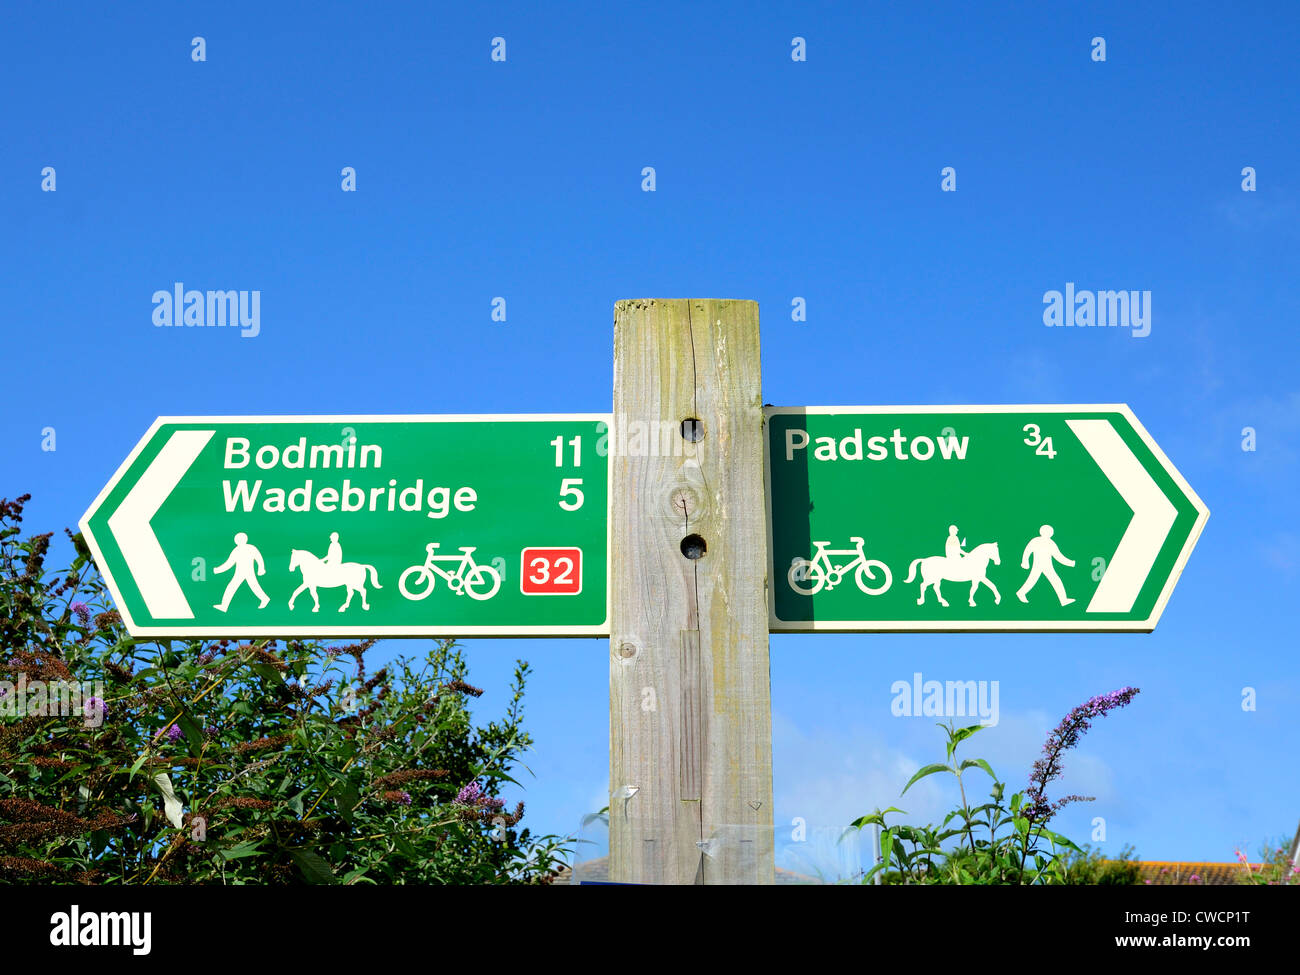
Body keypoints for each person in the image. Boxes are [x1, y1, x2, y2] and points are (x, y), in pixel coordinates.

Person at [1016, 525, 1075, 606]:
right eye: (1050, 531)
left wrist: (1070, 563)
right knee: (1034, 580)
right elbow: (1027, 551)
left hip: (1047, 566)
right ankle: (1021, 593)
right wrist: (1024, 562)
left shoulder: (1050, 543)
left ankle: (1063, 600)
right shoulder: (1037, 541)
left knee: (1053, 580)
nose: (1051, 533)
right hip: (1039, 565)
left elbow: (1058, 556)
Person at [213, 532, 270, 611]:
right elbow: (229, 563)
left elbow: (259, 558)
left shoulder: (250, 548)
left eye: (238, 539)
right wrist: (217, 570)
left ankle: (224, 606)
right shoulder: (236, 550)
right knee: (237, 587)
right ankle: (224, 606)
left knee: (250, 586)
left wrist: (261, 568)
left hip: (247, 572)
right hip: (240, 573)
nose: (237, 540)